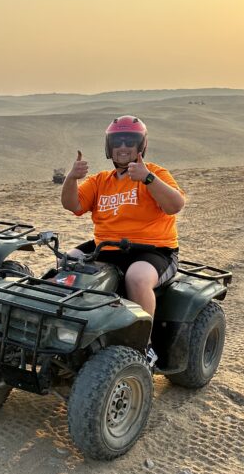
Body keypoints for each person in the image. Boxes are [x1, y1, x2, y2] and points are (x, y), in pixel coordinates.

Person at [60, 115, 185, 323]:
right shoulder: (101, 181)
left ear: (141, 146)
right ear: (109, 147)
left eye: (130, 141)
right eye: (117, 142)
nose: (123, 146)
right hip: (107, 247)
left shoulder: (155, 172)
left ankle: (144, 345)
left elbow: (175, 205)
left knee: (137, 278)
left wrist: (148, 178)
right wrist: (71, 178)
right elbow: (72, 204)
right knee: (67, 263)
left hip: (153, 249)